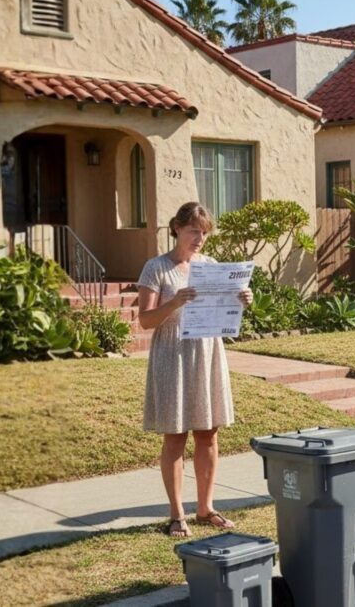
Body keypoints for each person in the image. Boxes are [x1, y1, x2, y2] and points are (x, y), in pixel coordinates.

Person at [137, 201, 253, 537]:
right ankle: (177, 515)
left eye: (204, 233)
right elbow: (145, 320)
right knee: (175, 436)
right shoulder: (156, 268)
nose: (199, 238)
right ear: (177, 229)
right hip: (172, 354)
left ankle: (206, 508)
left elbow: (224, 308)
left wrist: (243, 299)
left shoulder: (211, 266)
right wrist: (175, 301)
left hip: (206, 352)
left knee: (208, 433)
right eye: (193, 231)